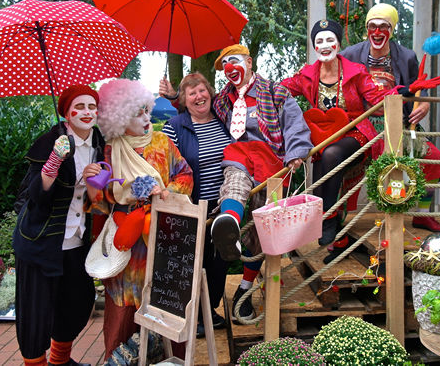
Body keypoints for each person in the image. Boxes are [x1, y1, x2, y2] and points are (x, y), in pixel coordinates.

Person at [281, 19, 440, 262]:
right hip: (324, 134)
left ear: (338, 43)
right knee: (327, 160)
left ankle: (328, 219)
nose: (325, 46)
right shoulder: (306, 75)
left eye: (330, 40)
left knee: (332, 156)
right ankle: (338, 238)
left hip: (356, 132)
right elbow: (281, 91)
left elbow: (379, 97)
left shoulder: (355, 72)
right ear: (315, 46)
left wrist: (410, 90)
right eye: (320, 41)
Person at [210, 44, 313, 322]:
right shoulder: (223, 99)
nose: (229, 68)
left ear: (249, 61)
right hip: (240, 157)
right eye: (224, 66)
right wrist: (174, 98)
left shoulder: (275, 92)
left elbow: (295, 124)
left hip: (271, 163)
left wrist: (295, 154)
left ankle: (244, 290)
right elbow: (199, 103)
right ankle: (228, 221)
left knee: (262, 232)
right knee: (233, 177)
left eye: (234, 61)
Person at [95, 79, 193, 358]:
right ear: (120, 119)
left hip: (161, 234)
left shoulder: (162, 142)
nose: (146, 119)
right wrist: (104, 192)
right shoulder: (111, 149)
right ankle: (118, 358)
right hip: (127, 238)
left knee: (166, 298)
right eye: (138, 114)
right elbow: (104, 198)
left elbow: (185, 176)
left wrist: (164, 193)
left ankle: (170, 358)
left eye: (147, 111)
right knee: (123, 301)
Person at [12, 85, 105, 366]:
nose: (87, 112)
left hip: (76, 241)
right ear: (66, 112)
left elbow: (97, 196)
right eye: (79, 106)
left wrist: (94, 181)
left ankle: (60, 361)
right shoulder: (50, 142)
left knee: (78, 301)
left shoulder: (99, 142)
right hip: (41, 242)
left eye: (92, 106)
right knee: (36, 312)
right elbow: (35, 198)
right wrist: (53, 162)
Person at [340, 3, 440, 233]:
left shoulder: (406, 56)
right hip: (362, 125)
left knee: (433, 157)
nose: (377, 32)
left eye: (384, 26)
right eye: (372, 26)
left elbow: (420, 87)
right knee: (345, 162)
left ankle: (421, 215)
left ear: (392, 30)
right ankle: (339, 218)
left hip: (398, 124)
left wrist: (423, 106)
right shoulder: (349, 55)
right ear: (366, 29)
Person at [159, 72, 233, 336]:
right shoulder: (175, 125)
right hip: (193, 202)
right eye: (192, 93)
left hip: (225, 202)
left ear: (210, 93)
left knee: (221, 259)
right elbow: (168, 165)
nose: (199, 97)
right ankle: (192, 315)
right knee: (195, 260)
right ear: (184, 99)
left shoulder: (226, 120)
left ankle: (208, 309)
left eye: (202, 91)